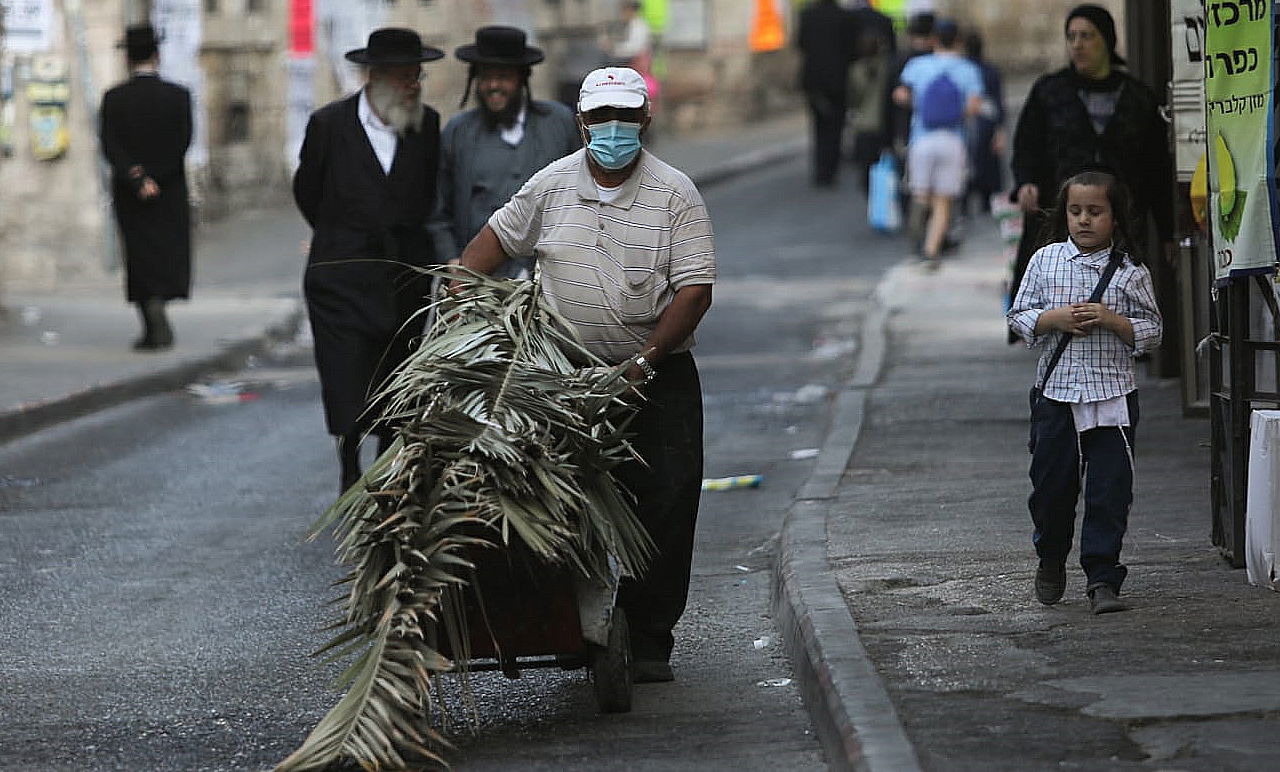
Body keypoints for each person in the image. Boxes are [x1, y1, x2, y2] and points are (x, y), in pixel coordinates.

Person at [455, 67, 715, 683]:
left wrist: (645, 362)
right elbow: (485, 251)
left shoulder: (675, 193)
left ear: (645, 122)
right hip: (562, 379)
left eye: (626, 118)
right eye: (601, 119)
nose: (614, 130)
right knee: (555, 498)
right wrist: (467, 320)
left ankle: (650, 638)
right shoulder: (551, 186)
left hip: (656, 375)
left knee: (667, 501)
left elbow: (695, 290)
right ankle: (567, 611)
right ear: (582, 124)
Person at [292, 28, 444, 492]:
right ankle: (349, 458)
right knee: (345, 373)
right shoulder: (329, 125)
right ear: (374, 78)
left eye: (417, 76)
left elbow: (429, 191)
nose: (414, 86)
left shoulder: (428, 124)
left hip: (403, 277)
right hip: (341, 274)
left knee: (396, 373)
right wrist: (344, 234)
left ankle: (386, 467)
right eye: (404, 78)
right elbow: (308, 193)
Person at [1007, 170, 1162, 615]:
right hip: (1056, 396)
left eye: (1095, 212)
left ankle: (1103, 578)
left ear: (1115, 217)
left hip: (1112, 396)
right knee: (1051, 490)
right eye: (1076, 211)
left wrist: (1113, 321)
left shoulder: (1132, 272)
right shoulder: (1045, 260)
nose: (1084, 220)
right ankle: (1051, 557)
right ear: (1065, 214)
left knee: (1110, 492)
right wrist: (1052, 319)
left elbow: (1153, 333)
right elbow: (1019, 314)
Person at [1007, 4, 1173, 321]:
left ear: (1107, 41)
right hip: (1061, 215)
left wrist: (1167, 231)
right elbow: (1026, 144)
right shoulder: (1049, 91)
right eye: (1071, 37)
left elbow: (1156, 168)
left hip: (1121, 216)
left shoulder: (1138, 97)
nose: (1077, 45)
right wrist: (1025, 181)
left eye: (1087, 36)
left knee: (1117, 289)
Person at [430, 26, 580, 279]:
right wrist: (453, 260)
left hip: (549, 279)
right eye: (485, 77)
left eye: (503, 76)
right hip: (478, 282)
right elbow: (438, 214)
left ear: (522, 78)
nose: (493, 86)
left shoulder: (559, 122)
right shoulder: (458, 133)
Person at [99, 23, 193, 352]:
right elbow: (182, 143)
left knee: (139, 255)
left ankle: (151, 316)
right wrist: (157, 177)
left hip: (130, 191)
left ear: (127, 58)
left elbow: (110, 145)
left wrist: (136, 177)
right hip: (168, 190)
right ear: (157, 54)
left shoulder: (114, 99)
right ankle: (159, 309)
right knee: (165, 252)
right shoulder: (178, 97)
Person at [894, 19, 984, 264]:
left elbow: (900, 95)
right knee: (944, 201)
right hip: (953, 140)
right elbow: (975, 106)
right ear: (958, 40)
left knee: (920, 194)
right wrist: (954, 113)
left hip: (921, 138)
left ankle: (916, 240)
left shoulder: (917, 65)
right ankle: (931, 251)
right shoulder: (968, 69)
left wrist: (921, 107)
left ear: (934, 39)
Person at [796, 0, 858, 187]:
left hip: (813, 80)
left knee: (819, 125)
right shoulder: (845, 17)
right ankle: (830, 169)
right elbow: (851, 49)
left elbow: (801, 43)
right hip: (838, 79)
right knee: (835, 125)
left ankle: (821, 169)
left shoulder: (807, 16)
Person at [846, 0, 897, 194]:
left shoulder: (856, 71)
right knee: (884, 165)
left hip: (863, 125)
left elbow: (852, 99)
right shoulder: (887, 69)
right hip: (883, 124)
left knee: (865, 169)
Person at [963, 29, 1006, 215]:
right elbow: (998, 101)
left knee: (968, 162)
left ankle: (965, 203)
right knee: (988, 163)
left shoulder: (962, 69)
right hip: (988, 119)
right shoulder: (990, 70)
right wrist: (1000, 129)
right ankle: (988, 202)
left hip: (969, 118)